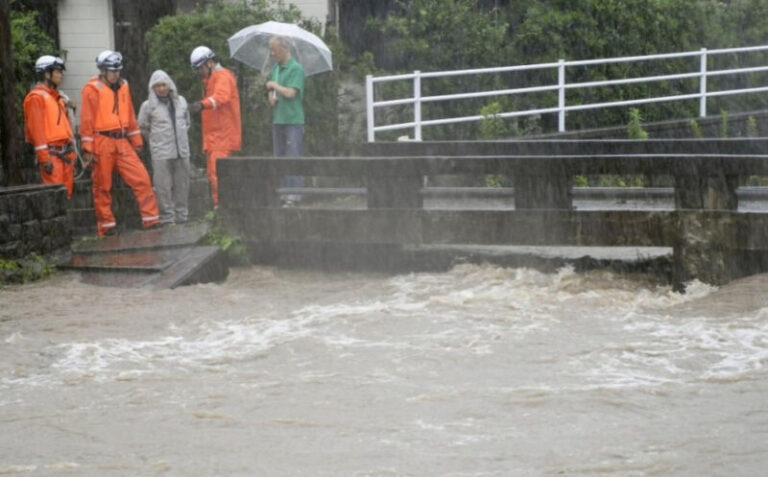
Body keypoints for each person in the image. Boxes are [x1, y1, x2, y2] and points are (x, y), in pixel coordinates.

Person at [80, 50, 161, 236]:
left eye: (118, 70)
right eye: (112, 71)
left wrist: (136, 140)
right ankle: (106, 225)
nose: (116, 74)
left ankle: (151, 219)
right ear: (103, 70)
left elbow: (130, 115)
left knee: (142, 179)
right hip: (102, 141)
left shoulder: (124, 86)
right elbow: (86, 120)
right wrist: (87, 149)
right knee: (102, 186)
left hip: (122, 141)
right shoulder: (91, 89)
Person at [189, 45, 241, 208]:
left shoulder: (222, 77)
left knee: (217, 174)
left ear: (209, 63)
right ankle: (221, 206)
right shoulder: (214, 78)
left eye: (201, 68)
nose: (200, 72)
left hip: (221, 135)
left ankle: (222, 208)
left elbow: (221, 97)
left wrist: (202, 104)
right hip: (216, 136)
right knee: (215, 174)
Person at [138, 70, 191, 224]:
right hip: (161, 152)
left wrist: (180, 137)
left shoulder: (181, 101)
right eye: (157, 86)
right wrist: (155, 140)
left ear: (169, 85)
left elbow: (187, 122)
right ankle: (167, 217)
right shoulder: (148, 106)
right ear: (152, 88)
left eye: (163, 85)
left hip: (182, 150)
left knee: (182, 184)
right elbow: (143, 126)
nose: (161, 88)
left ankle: (182, 215)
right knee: (163, 186)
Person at [23, 55, 76, 199]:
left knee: (66, 196)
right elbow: (37, 132)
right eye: (57, 72)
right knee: (56, 198)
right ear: (47, 74)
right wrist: (44, 158)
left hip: (65, 154)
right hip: (52, 156)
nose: (60, 75)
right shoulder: (36, 98)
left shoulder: (57, 98)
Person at [265, 35, 306, 207]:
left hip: (293, 120)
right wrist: (271, 96)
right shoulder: (275, 69)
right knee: (279, 157)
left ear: (283, 49)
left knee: (293, 156)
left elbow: (290, 93)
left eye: (274, 50)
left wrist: (274, 86)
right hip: (278, 119)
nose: (272, 53)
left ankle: (294, 195)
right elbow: (272, 91)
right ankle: (283, 193)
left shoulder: (296, 69)